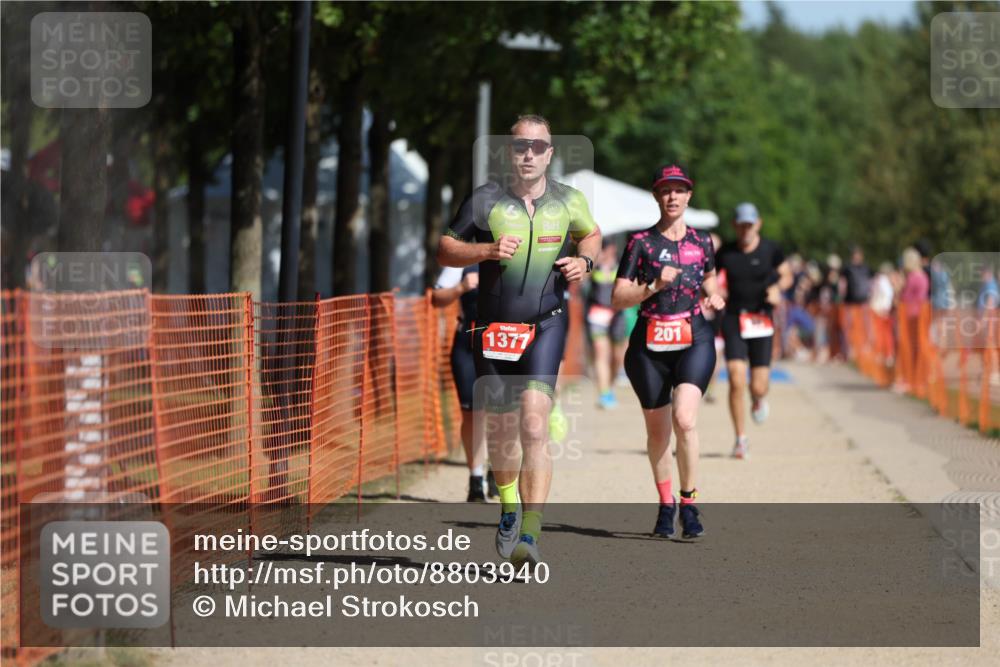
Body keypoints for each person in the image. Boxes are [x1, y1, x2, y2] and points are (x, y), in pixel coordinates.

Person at [436, 114, 601, 567]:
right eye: (520, 146)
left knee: (533, 423)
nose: (529, 154)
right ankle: (508, 507)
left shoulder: (568, 200)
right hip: (492, 330)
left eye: (537, 146)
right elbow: (445, 248)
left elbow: (591, 234)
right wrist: (485, 250)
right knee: (501, 429)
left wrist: (585, 262)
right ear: (509, 152)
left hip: (545, 324)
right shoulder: (485, 199)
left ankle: (531, 531)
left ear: (550, 153)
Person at [611, 164, 725, 539]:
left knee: (685, 420)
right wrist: (653, 286)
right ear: (656, 196)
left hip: (694, 337)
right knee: (658, 433)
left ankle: (689, 504)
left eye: (679, 190)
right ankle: (665, 505)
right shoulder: (641, 243)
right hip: (649, 345)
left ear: (689, 196)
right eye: (665, 190)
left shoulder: (702, 242)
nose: (672, 196)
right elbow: (618, 297)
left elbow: (708, 275)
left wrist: (713, 294)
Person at [713, 203, 792, 459]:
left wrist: (778, 289)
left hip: (761, 319)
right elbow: (710, 276)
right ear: (735, 225)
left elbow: (787, 275)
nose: (745, 229)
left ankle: (758, 398)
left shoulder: (771, 249)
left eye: (750, 225)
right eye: (741, 225)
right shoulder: (726, 252)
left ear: (758, 224)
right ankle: (740, 439)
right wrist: (714, 292)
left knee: (758, 386)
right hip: (734, 317)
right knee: (736, 378)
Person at [432, 265, 499, 502]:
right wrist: (461, 287)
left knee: (502, 412)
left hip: (502, 342)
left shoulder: (516, 253)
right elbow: (437, 298)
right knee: (472, 413)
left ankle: (497, 470)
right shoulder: (461, 259)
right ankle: (476, 479)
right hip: (468, 343)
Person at [585, 239, 628, 409]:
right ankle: (604, 393)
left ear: (613, 249)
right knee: (601, 353)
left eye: (606, 249)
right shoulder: (595, 266)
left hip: (618, 315)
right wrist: (595, 262)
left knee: (617, 357)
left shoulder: (621, 265)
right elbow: (582, 280)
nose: (605, 252)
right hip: (597, 314)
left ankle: (609, 386)